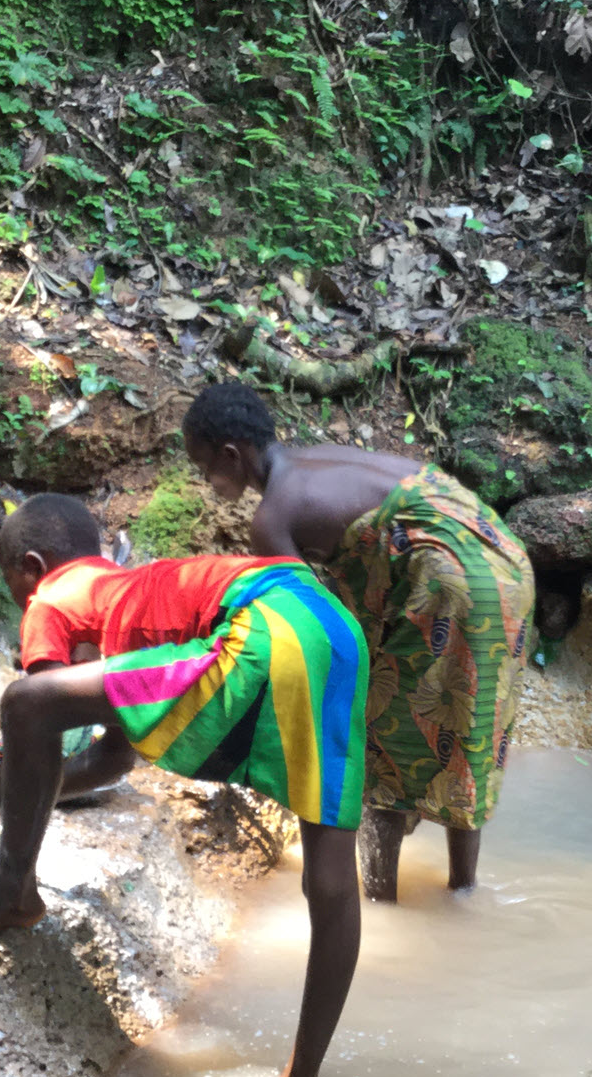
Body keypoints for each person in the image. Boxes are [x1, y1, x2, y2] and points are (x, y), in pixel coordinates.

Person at [0, 493, 368, 1077]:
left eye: (14, 588)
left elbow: (40, 720)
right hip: (330, 623)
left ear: (31, 566)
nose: (24, 607)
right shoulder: (134, 592)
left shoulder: (51, 596)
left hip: (263, 623)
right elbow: (109, 759)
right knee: (332, 881)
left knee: (22, 701)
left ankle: (9, 893)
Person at [182, 381, 537, 901]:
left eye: (204, 466)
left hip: (450, 583)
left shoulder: (272, 518)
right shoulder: (318, 460)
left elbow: (314, 628)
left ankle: (379, 900)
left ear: (232, 455)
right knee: (469, 730)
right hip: (503, 561)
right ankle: (464, 895)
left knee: (374, 749)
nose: (205, 480)